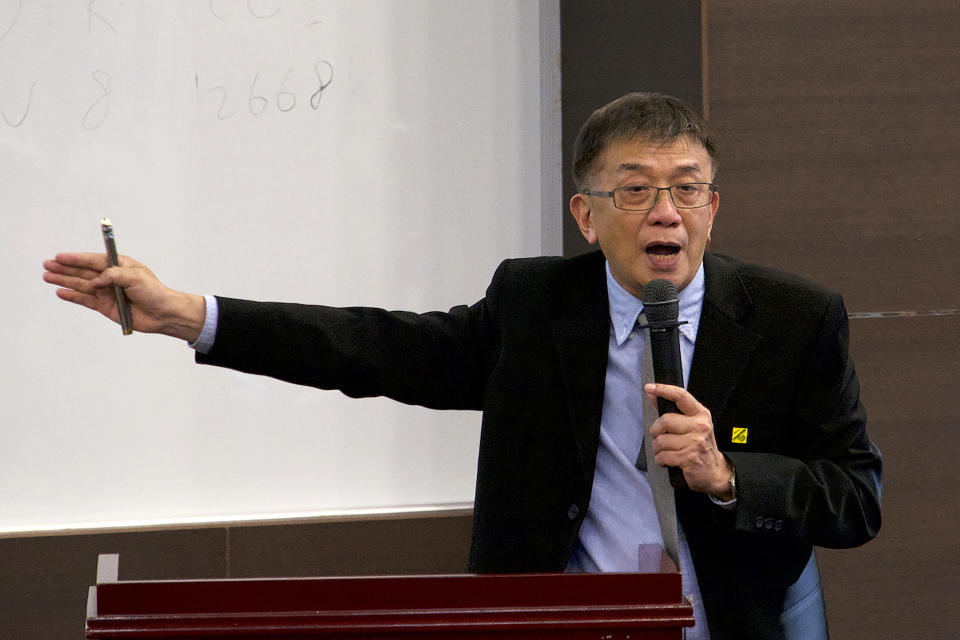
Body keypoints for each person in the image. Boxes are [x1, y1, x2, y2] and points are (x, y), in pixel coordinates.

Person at [43, 92, 881, 639]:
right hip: (566, 625)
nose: (666, 212)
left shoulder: (794, 319)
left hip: (735, 622)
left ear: (713, 206)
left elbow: (856, 498)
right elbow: (374, 347)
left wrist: (729, 474)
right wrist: (190, 314)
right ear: (586, 216)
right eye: (636, 191)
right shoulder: (534, 307)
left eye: (687, 189)